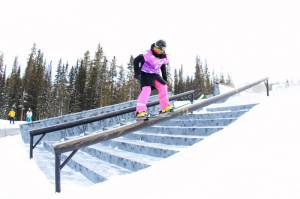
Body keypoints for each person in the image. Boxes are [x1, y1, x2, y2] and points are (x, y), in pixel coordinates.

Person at [134, 39, 173, 119]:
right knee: (146, 89)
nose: (156, 50)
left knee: (163, 86)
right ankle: (140, 111)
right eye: (155, 47)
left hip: (155, 74)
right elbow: (136, 60)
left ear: (162, 50)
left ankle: (165, 107)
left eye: (158, 49)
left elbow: (162, 66)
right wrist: (137, 74)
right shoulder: (147, 54)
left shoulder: (163, 57)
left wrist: (165, 79)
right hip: (145, 73)